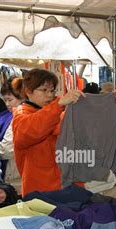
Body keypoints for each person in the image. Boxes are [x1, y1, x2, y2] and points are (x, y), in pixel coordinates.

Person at [12, 68, 84, 196]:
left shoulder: (56, 113)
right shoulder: (22, 115)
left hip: (66, 186)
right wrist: (58, 105)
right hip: (40, 192)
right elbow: (30, 131)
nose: (50, 95)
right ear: (28, 92)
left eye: (52, 90)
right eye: (44, 90)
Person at [0, 78, 24, 194]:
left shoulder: (19, 117)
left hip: (16, 178)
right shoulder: (10, 116)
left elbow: (6, 149)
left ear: (23, 97)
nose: (7, 104)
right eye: (5, 100)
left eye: (10, 100)